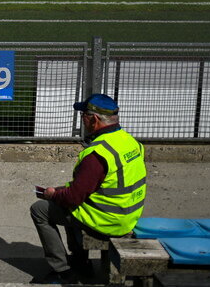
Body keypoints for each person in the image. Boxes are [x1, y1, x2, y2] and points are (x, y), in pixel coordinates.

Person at [30, 94, 147, 284]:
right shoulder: (130, 142)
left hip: (106, 221)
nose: (82, 119)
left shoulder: (98, 154)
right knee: (65, 200)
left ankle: (63, 271)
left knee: (40, 209)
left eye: (84, 115)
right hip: (127, 216)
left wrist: (53, 194)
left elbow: (74, 198)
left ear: (94, 119)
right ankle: (80, 261)